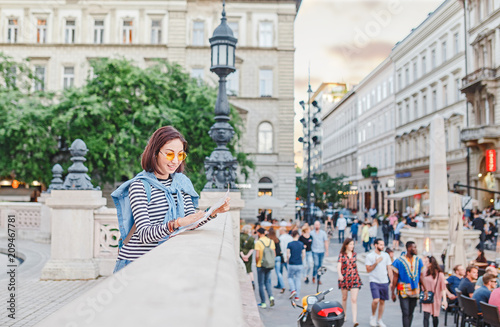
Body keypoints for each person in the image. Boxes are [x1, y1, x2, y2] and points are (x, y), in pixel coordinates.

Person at [113, 126, 230, 273]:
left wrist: (212, 213)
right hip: (135, 263)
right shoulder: (139, 186)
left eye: (180, 155)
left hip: (163, 260)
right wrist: (176, 224)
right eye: (169, 154)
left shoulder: (182, 184)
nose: (175, 161)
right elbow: (144, 235)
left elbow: (189, 223)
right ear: (155, 153)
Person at [391, 241, 424, 327]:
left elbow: (421, 276)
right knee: (405, 312)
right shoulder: (399, 261)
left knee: (410, 312)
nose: (416, 249)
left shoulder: (418, 260)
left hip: (415, 289)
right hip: (403, 289)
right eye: (414, 247)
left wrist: (426, 289)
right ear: (409, 248)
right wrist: (393, 292)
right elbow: (395, 277)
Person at [365, 239, 393, 327]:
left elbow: (389, 268)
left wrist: (391, 281)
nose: (382, 246)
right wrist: (376, 263)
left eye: (383, 244)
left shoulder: (386, 255)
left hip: (384, 281)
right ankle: (373, 316)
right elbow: (368, 270)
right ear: (375, 245)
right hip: (374, 280)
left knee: (382, 301)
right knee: (376, 300)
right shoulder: (370, 256)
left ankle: (379, 319)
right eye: (380, 245)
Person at [337, 238, 362, 327]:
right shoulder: (342, 255)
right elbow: (339, 266)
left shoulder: (354, 255)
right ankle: (344, 315)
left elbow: (355, 266)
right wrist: (340, 275)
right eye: (351, 244)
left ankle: (355, 319)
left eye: (353, 244)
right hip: (344, 278)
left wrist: (358, 276)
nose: (352, 246)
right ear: (346, 245)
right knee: (344, 298)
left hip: (354, 278)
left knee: (354, 299)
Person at [421, 256, 447, 327]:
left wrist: (444, 300)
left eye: (426, 262)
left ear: (431, 263)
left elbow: (443, 288)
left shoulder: (439, 274)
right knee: (426, 316)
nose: (425, 263)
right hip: (426, 296)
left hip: (436, 298)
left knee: (435, 316)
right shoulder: (424, 271)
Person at [254, 227, 276, 308]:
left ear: (259, 233)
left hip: (261, 264)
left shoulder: (258, 242)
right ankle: (271, 296)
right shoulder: (271, 241)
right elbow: (274, 254)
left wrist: (257, 264)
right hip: (269, 264)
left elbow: (257, 256)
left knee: (260, 284)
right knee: (267, 282)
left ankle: (263, 302)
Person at [287, 230, 306, 301]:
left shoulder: (290, 244)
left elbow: (288, 254)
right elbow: (304, 254)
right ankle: (297, 296)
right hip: (299, 263)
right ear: (298, 235)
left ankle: (293, 290)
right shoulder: (301, 244)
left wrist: (288, 260)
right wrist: (301, 259)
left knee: (290, 277)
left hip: (292, 263)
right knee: (298, 279)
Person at [268, 228, 285, 294]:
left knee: (269, 272)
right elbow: (279, 249)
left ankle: (268, 286)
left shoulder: (269, 240)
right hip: (278, 257)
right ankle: (282, 286)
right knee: (278, 273)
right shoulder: (277, 240)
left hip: (271, 257)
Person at [240, 225, 255, 289]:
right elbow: (252, 248)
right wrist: (247, 256)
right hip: (249, 255)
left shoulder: (241, 237)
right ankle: (252, 282)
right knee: (249, 269)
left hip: (242, 254)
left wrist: (243, 256)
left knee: (241, 267)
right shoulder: (251, 238)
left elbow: (239, 248)